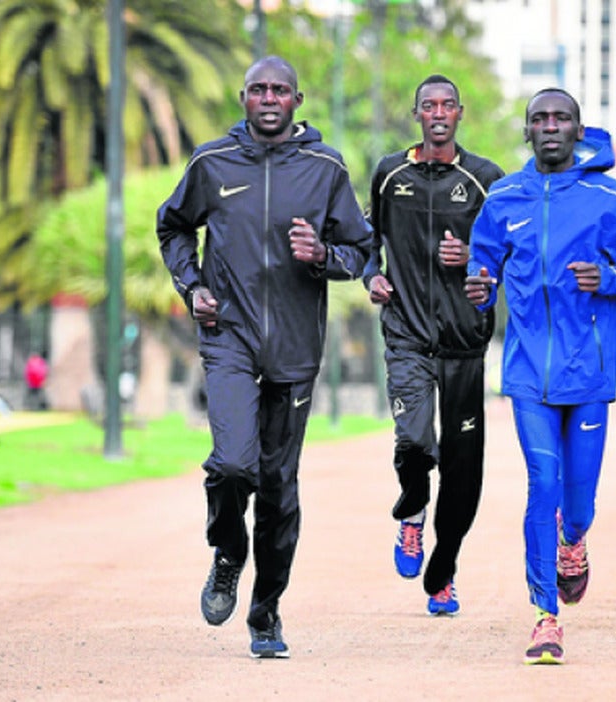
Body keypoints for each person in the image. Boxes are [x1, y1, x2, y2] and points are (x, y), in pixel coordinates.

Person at [156, 56, 371, 658]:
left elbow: (359, 249)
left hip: (297, 351)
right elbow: (172, 227)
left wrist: (323, 254)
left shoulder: (326, 169)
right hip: (228, 333)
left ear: (298, 100)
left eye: (280, 89)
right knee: (231, 465)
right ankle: (228, 551)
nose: (269, 97)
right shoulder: (212, 163)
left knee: (279, 488)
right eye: (258, 89)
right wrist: (192, 286)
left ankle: (266, 613)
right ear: (243, 97)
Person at [465, 88, 616, 664]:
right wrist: (481, 289)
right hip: (527, 372)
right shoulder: (503, 198)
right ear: (527, 131)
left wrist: (607, 278)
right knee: (541, 486)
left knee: (577, 503)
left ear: (579, 130)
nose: (550, 126)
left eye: (561, 118)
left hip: (589, 373)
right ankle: (544, 616)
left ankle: (573, 542)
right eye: (539, 119)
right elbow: (484, 270)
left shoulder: (608, 197)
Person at [364, 74, 505, 616]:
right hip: (405, 335)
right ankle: (413, 512)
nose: (438, 112)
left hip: (465, 343)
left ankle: (443, 571)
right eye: (429, 104)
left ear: (460, 114)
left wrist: (474, 259)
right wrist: (370, 277)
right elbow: (365, 240)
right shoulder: (388, 173)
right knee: (415, 441)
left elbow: (507, 255)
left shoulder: (485, 178)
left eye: (447, 104)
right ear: (416, 113)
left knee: (464, 469)